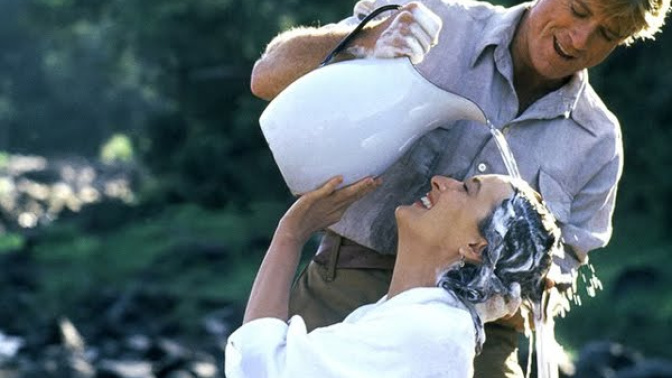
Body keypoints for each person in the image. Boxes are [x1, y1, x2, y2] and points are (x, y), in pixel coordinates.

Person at [249, 0, 670, 376]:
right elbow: (267, 77)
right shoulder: (437, 22)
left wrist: (527, 284)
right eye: (579, 10)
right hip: (349, 287)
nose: (581, 39)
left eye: (607, 34)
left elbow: (565, 268)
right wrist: (365, 41)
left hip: (479, 338)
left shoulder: (597, 141)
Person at [225, 174, 560, 378]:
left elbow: (260, 367)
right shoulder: (417, 322)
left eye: (466, 189)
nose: (441, 181)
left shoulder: (428, 334)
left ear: (475, 246)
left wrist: (291, 235)